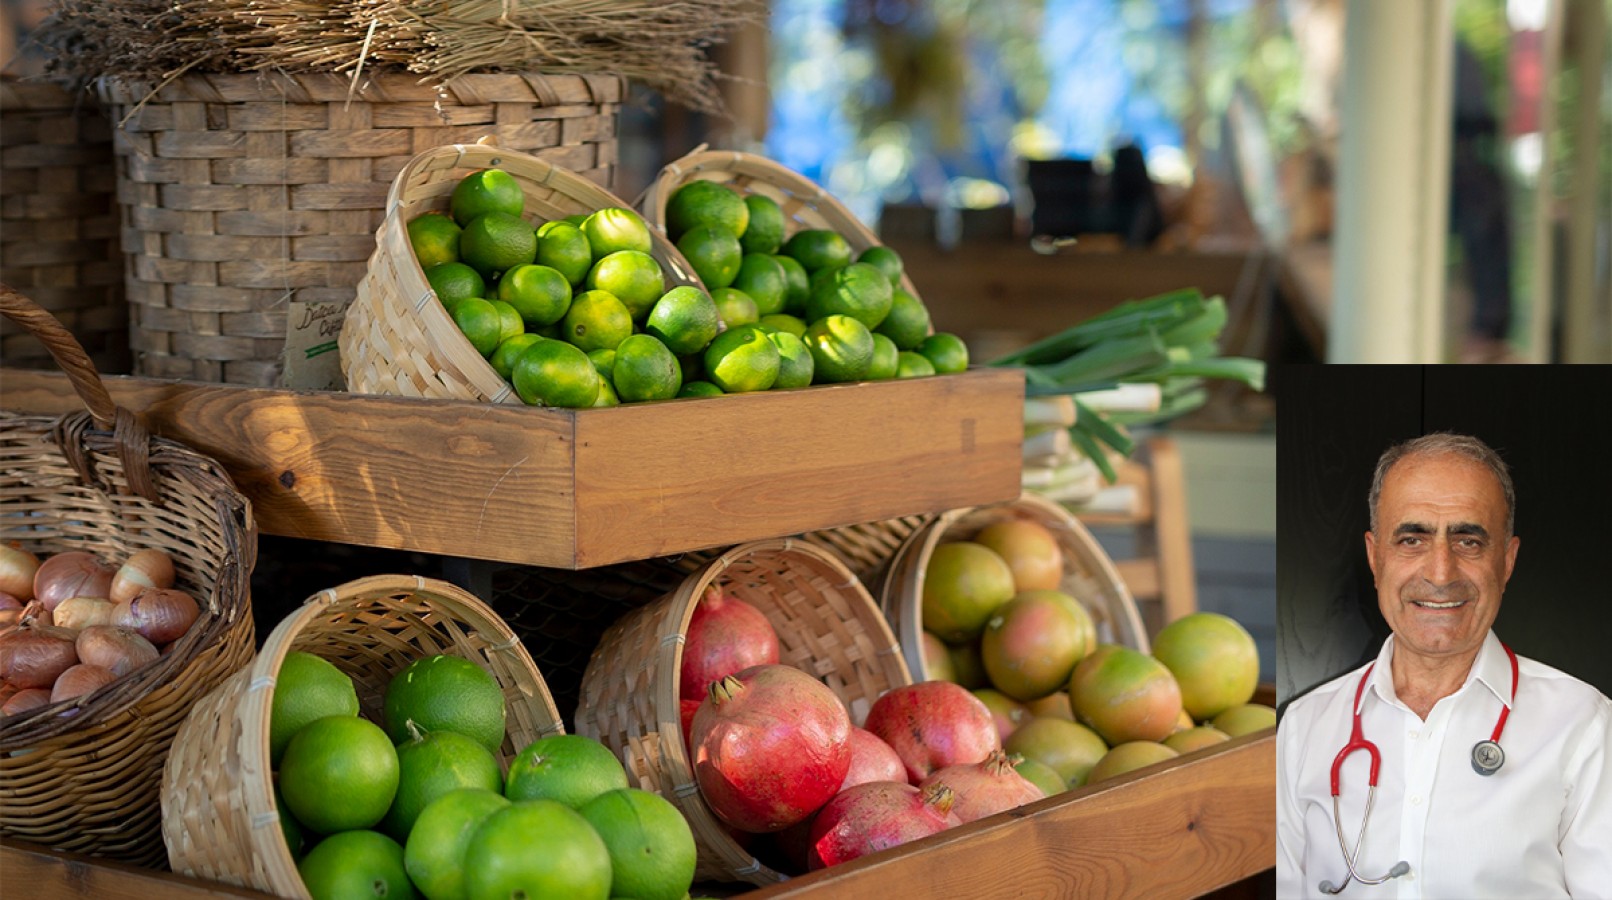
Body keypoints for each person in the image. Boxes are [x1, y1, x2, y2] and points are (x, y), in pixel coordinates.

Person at [1277, 433, 1612, 898]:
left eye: (1469, 541)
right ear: (1376, 558)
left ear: (1507, 561)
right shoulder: (1302, 728)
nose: (1440, 573)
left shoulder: (1585, 725)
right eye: (1412, 539)